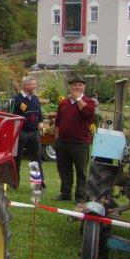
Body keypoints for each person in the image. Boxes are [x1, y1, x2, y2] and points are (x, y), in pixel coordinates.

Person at [54, 75, 96, 203]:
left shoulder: (89, 102)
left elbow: (88, 113)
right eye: (74, 85)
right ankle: (65, 193)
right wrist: (57, 139)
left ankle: (80, 197)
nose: (77, 87)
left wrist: (78, 99)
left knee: (81, 171)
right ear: (70, 87)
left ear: (84, 87)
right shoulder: (63, 103)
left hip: (80, 143)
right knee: (64, 170)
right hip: (63, 142)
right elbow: (57, 122)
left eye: (80, 85)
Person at [12, 76, 44, 188]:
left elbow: (38, 112)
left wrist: (40, 122)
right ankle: (14, 183)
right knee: (17, 159)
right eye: (33, 84)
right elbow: (12, 116)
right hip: (21, 133)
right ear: (26, 86)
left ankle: (38, 183)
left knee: (36, 159)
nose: (35, 86)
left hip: (34, 133)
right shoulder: (16, 99)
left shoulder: (35, 98)